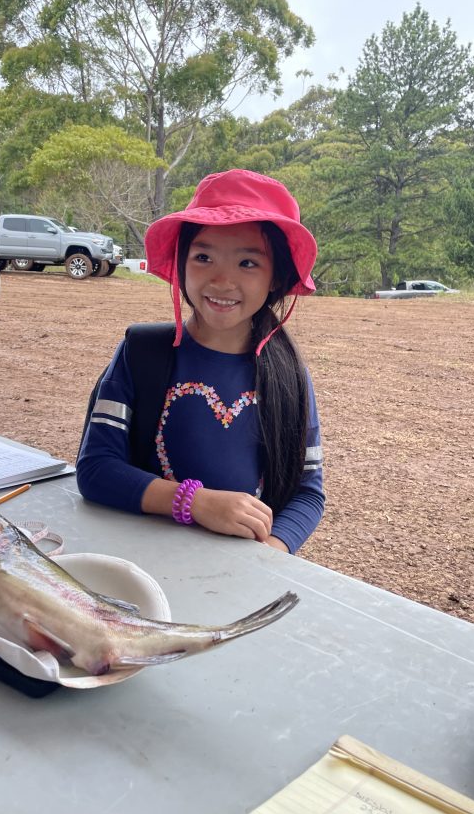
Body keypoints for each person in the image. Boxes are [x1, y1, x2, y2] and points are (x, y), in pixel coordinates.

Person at [76, 169, 325, 553]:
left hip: (240, 568)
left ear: (277, 276)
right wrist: (194, 502)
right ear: (181, 263)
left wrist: (271, 554)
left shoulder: (289, 376)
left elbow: (308, 492)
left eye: (248, 263)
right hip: (141, 559)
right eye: (203, 257)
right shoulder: (141, 353)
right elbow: (96, 469)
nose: (222, 281)